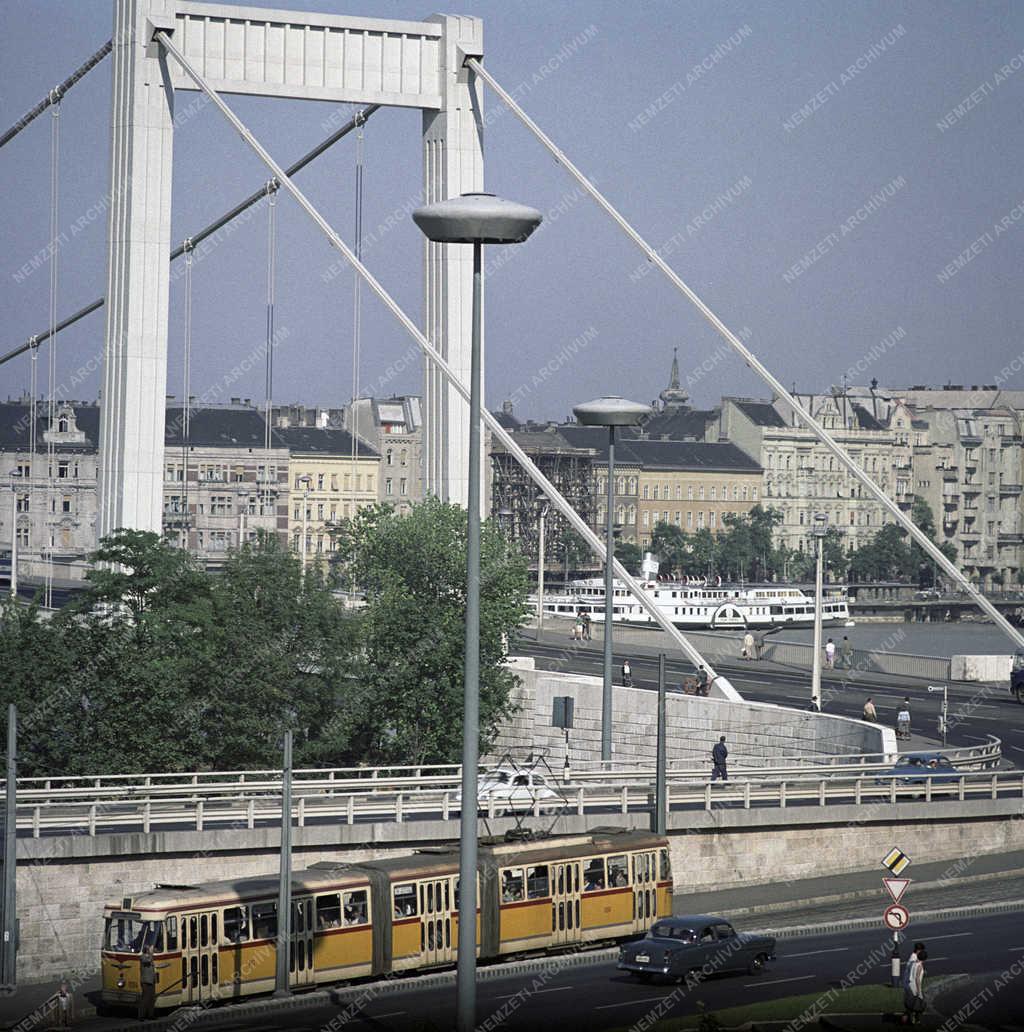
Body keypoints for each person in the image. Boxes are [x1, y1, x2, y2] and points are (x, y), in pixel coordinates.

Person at [904, 945, 927, 1024]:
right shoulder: (920, 966)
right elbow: (917, 979)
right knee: (920, 1004)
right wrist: (919, 991)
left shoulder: (913, 963)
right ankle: (916, 1020)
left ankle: (910, 1019)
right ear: (924, 959)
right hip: (915, 987)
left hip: (910, 985)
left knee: (911, 1004)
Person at [139, 946, 157, 1020]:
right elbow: (148, 961)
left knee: (152, 999)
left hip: (151, 981)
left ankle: (151, 1015)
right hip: (146, 981)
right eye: (150, 949)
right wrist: (151, 954)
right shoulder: (143, 957)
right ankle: (141, 1016)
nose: (151, 950)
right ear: (146, 950)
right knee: (145, 999)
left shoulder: (149, 957)